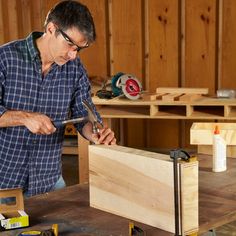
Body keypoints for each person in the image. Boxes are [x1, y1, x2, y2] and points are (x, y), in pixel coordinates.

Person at [0, 0, 116, 198]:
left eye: (78, 49)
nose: (72, 55)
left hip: (49, 182)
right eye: (70, 44)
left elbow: (84, 113)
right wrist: (24, 118)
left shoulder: (75, 69)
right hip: (5, 182)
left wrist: (95, 132)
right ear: (51, 29)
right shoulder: (5, 58)